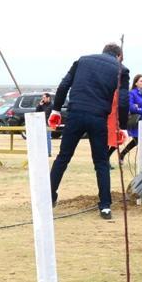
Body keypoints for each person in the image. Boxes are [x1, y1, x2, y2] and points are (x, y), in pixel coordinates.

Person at [49, 43, 129, 220]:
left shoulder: (82, 61)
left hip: (75, 114)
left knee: (63, 157)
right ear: (118, 56)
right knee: (101, 163)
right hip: (98, 118)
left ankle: (49, 196)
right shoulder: (121, 70)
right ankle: (105, 206)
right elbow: (123, 101)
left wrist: (55, 110)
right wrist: (122, 127)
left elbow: (63, 86)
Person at [119, 75, 142, 166]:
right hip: (137, 121)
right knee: (137, 141)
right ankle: (122, 154)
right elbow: (132, 107)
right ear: (136, 83)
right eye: (141, 81)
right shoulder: (132, 93)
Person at [35, 92, 54, 157]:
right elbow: (36, 112)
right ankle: (42, 151)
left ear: (48, 98)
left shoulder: (51, 105)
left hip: (48, 123)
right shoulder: (42, 104)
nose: (43, 99)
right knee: (41, 138)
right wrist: (39, 105)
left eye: (44, 98)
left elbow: (47, 113)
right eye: (42, 98)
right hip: (41, 123)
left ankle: (48, 152)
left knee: (48, 138)